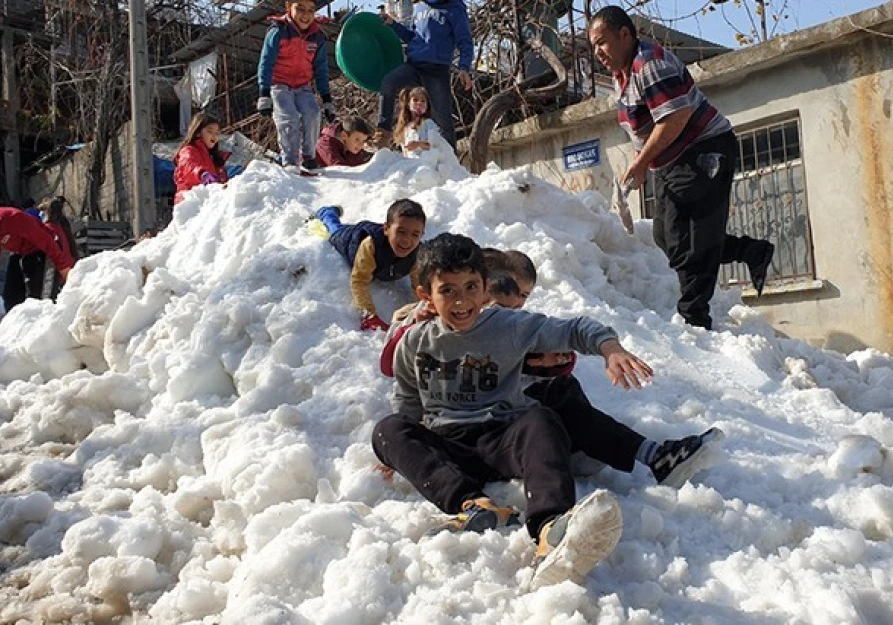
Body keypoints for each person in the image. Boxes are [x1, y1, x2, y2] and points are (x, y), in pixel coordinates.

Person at [373, 233, 653, 589]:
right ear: (426, 295)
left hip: (501, 437)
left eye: (471, 287)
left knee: (541, 418)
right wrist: (398, 452)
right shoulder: (414, 341)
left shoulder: (510, 327)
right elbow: (407, 403)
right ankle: (474, 505)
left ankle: (551, 529)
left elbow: (574, 328)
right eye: (448, 290)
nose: (462, 300)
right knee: (386, 429)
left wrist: (610, 348)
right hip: (450, 446)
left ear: (485, 285)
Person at [589, 6, 773, 329]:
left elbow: (676, 117)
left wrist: (642, 161)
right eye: (592, 46)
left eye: (601, 42)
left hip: (705, 147)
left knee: (689, 238)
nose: (597, 52)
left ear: (624, 35)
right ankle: (751, 252)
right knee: (665, 236)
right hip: (673, 158)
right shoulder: (621, 78)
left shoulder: (650, 65)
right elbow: (642, 130)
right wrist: (640, 167)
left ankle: (695, 319)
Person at [312, 199, 426, 331]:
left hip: (379, 249)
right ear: (386, 229)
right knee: (335, 229)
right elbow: (359, 280)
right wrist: (369, 314)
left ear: (421, 235)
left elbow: (419, 285)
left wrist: (423, 308)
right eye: (401, 232)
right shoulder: (371, 246)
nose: (407, 240)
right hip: (349, 240)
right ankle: (326, 212)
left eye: (415, 234)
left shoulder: (418, 254)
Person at [376, 0, 473, 149]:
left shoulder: (454, 8)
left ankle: (451, 163)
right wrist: (393, 24)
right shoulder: (420, 6)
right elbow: (413, 37)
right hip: (414, 65)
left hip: (436, 70)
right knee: (388, 82)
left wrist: (464, 67)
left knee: (443, 120)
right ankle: (383, 133)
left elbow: (465, 40)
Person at [257, 0, 334, 170]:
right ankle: (290, 160)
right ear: (288, 7)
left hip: (302, 86)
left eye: (311, 10)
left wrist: (327, 98)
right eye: (300, 9)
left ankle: (309, 156)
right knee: (288, 116)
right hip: (279, 85)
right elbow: (266, 62)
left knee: (312, 113)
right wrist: (264, 94)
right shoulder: (278, 31)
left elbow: (321, 69)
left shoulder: (317, 36)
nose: (305, 15)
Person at [0, 207, 75, 311]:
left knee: (38, 299)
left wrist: (63, 266)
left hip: (42, 249)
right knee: (11, 298)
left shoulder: (11, 218)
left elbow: (45, 239)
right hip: (20, 252)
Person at [173, 113, 230, 205]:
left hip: (205, 203)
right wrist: (202, 174)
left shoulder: (213, 158)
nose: (214, 136)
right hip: (189, 202)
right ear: (198, 132)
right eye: (210, 131)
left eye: (217, 133)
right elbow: (188, 165)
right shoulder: (189, 150)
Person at [41, 198, 78, 301]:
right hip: (68, 271)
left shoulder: (48, 230)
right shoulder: (62, 227)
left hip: (57, 275)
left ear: (47, 213)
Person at [393, 86, 441, 157]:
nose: (419, 103)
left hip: (426, 163)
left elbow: (435, 145)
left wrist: (418, 144)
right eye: (415, 100)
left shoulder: (428, 123)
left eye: (423, 101)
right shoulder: (405, 127)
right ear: (409, 104)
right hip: (411, 164)